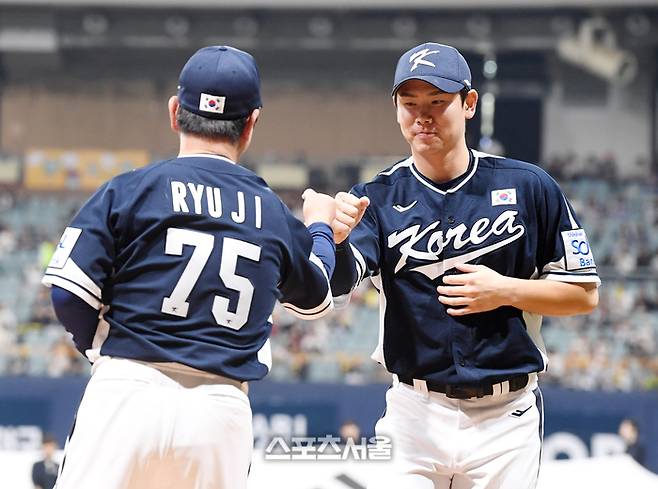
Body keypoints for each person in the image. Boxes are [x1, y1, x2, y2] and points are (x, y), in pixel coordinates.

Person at [42, 45, 344, 489]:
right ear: (251, 124)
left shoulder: (129, 191)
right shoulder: (271, 211)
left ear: (174, 111)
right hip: (219, 409)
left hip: (128, 389)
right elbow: (316, 296)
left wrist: (100, 348)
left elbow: (69, 293)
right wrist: (319, 228)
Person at [330, 42, 600, 489]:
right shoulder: (375, 198)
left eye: (438, 102)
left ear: (469, 103)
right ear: (395, 108)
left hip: (505, 416)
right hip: (414, 412)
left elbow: (584, 293)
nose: (423, 116)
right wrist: (332, 238)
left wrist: (506, 290)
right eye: (410, 103)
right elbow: (335, 284)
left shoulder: (530, 186)